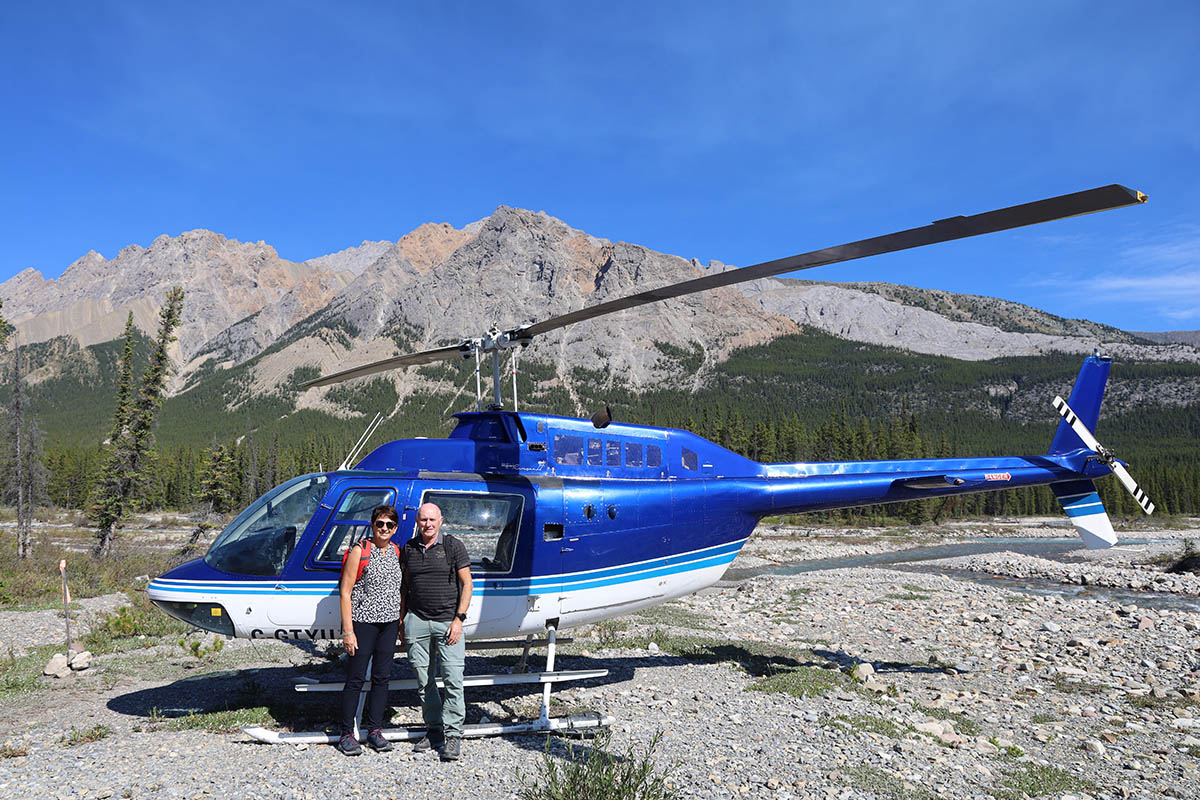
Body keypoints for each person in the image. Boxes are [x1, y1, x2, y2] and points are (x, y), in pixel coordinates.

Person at [401, 502, 473, 761]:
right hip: (417, 621)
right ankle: (434, 730)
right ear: (417, 522)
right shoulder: (408, 549)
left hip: (448, 623)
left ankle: (453, 735)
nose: (427, 524)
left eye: (432, 519)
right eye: (423, 520)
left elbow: (467, 585)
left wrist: (459, 619)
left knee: (453, 679)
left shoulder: (454, 546)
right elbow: (406, 587)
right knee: (424, 681)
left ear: (441, 520)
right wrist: (403, 620)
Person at [337, 504, 403, 756]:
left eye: (389, 525)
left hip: (388, 625)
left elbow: (399, 591)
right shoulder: (360, 550)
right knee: (355, 679)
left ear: (395, 528)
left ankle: (375, 730)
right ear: (372, 525)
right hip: (363, 623)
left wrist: (399, 624)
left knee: (381, 679)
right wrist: (348, 630)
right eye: (380, 524)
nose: (384, 528)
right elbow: (345, 592)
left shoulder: (396, 552)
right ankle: (346, 733)